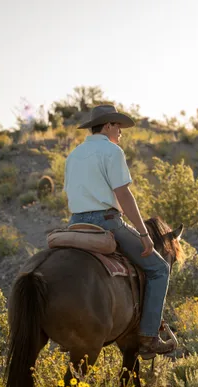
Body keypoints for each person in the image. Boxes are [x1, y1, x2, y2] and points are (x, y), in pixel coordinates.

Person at [64, 104, 176, 357]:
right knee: (159, 269)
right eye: (119, 127)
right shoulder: (112, 151)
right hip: (107, 222)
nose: (121, 133)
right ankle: (149, 336)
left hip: (75, 224)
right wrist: (144, 234)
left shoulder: (74, 154)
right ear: (108, 126)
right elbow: (123, 194)